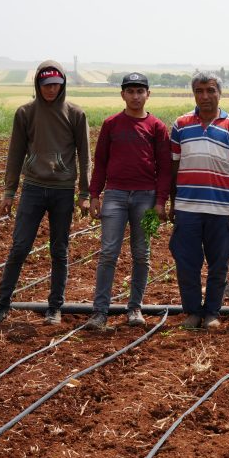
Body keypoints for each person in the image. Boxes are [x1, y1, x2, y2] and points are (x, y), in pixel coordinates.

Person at [0, 61, 91, 327]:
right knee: (20, 247)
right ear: (38, 85)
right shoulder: (25, 113)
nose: (50, 90)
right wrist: (9, 191)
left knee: (59, 249)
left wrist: (85, 192)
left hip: (62, 191)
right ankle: (2, 304)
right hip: (33, 188)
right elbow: (15, 152)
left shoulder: (76, 114)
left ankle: (55, 307)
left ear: (63, 84)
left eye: (55, 84)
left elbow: (85, 155)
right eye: (45, 85)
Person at [85, 73, 172, 330]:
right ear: (122, 94)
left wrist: (160, 202)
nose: (135, 96)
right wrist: (93, 195)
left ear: (148, 94)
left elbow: (165, 168)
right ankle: (100, 311)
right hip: (115, 196)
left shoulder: (157, 127)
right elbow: (100, 162)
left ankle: (135, 308)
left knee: (142, 254)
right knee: (109, 253)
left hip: (145, 198)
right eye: (130, 91)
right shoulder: (111, 124)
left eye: (140, 91)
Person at [169, 72, 229, 330]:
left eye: (210, 90)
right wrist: (173, 202)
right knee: (186, 262)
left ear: (219, 93)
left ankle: (212, 312)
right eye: (200, 91)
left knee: (219, 263)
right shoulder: (181, 125)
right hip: (187, 207)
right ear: (194, 94)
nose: (205, 96)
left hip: (221, 208)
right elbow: (174, 166)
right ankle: (193, 312)